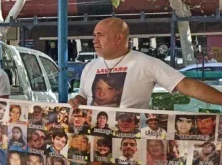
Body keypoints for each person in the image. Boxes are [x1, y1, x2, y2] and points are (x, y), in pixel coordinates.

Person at [69, 17, 222, 109]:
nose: (94, 40)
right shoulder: (89, 67)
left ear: (119, 38)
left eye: (100, 35)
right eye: (94, 35)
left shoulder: (147, 63)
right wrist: (77, 101)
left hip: (131, 141)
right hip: (95, 141)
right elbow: (84, 98)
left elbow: (187, 85)